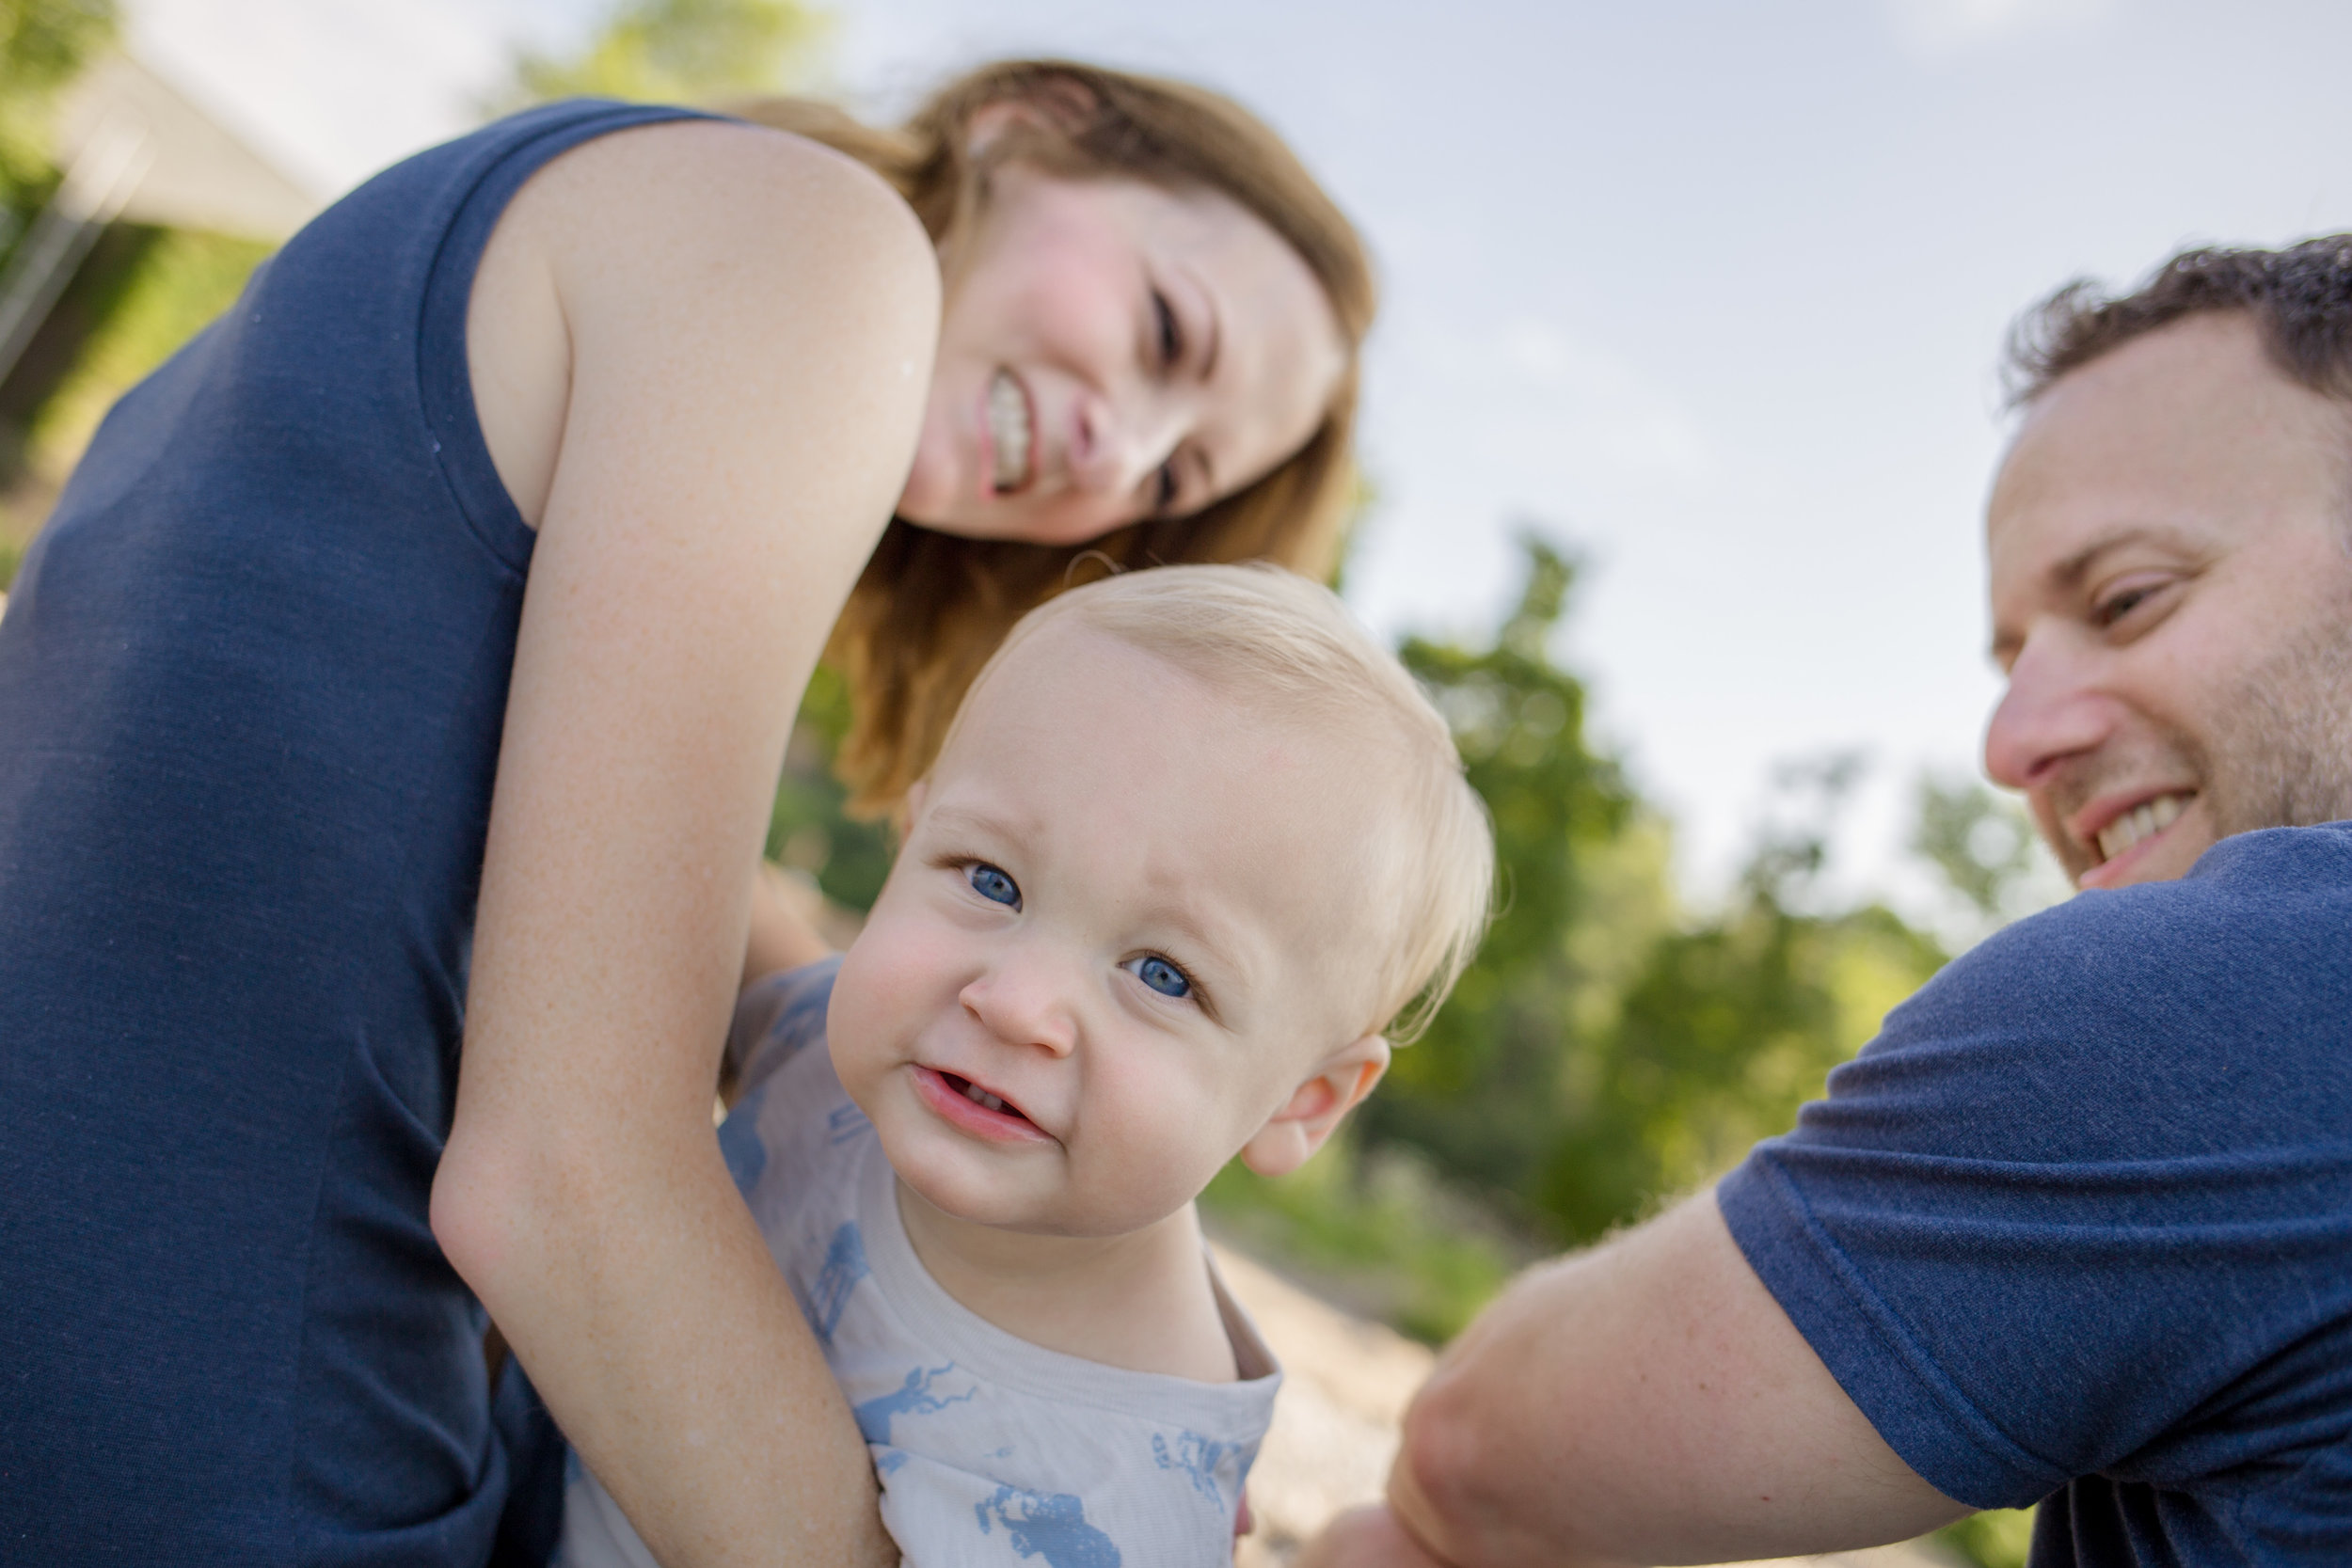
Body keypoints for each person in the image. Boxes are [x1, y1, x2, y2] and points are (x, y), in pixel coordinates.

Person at [0, 60, 1374, 1567]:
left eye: (1173, 474)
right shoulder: (814, 246)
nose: (1114, 458)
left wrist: (1119, 1357)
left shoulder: (558, 219)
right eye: (1166, 333)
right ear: (1027, 120)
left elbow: (646, 887)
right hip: (194, 1431)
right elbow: (563, 1180)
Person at [1301, 235, 2352, 1568]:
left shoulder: (2254, 993)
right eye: (2012, 654)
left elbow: (1480, 1455)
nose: (2011, 737)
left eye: (2127, 597)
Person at [559, 563, 1494, 1566]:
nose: (1012, 1004)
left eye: (1163, 975)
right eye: (990, 879)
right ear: (911, 844)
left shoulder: (1108, 1502)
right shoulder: (838, 1041)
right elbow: (669, 856)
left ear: (1301, 1101)